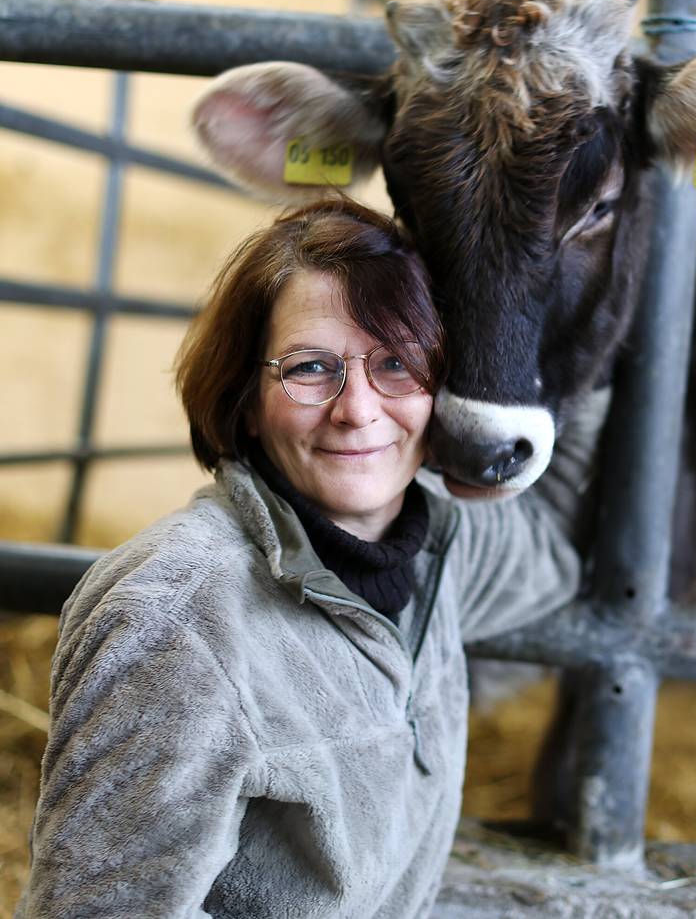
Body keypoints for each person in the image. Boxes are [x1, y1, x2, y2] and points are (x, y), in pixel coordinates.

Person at [17, 197, 610, 919]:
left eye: (396, 362)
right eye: (310, 367)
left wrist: (588, 320)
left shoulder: (440, 551)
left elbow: (553, 535)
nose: (357, 408)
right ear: (245, 402)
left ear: (441, 391)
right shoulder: (180, 621)